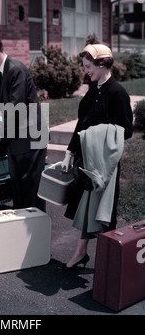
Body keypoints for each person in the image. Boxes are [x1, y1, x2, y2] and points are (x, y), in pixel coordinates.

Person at [59, 44, 133, 270]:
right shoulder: (93, 90)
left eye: (89, 66)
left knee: (103, 212)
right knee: (87, 205)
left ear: (102, 64)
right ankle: (81, 253)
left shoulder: (117, 92)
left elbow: (126, 130)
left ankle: (107, 263)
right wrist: (69, 151)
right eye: (85, 67)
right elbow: (82, 125)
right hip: (86, 160)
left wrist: (96, 135)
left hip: (103, 163)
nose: (86, 71)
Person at [0, 35, 49, 210]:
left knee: (31, 190)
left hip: (31, 139)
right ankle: (22, 230)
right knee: (18, 188)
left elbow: (16, 107)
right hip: (17, 139)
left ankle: (37, 232)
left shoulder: (15, 69)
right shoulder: (2, 74)